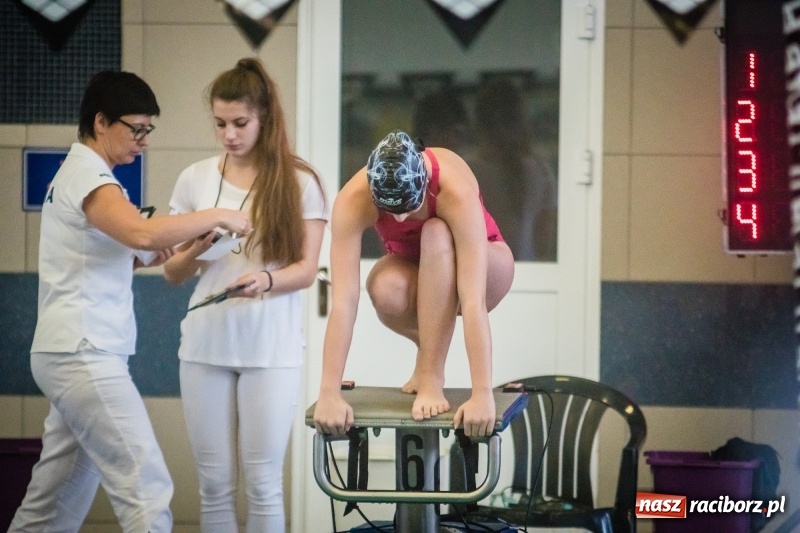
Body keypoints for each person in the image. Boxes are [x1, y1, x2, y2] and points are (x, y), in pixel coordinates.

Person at [9, 71, 252, 533]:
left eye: (148, 130)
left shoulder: (90, 178)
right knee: (146, 486)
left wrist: (193, 243)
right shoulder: (88, 175)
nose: (143, 140)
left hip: (74, 352)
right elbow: (142, 233)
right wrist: (220, 212)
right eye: (136, 128)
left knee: (54, 501)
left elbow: (135, 251)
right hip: (83, 352)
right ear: (101, 122)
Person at [162, 57, 327, 533]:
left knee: (262, 483)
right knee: (213, 486)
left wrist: (266, 281)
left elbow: (306, 268)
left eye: (240, 123)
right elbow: (173, 273)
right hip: (204, 345)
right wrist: (201, 240)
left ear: (264, 119)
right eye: (220, 123)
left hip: (270, 348)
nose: (229, 134)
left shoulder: (300, 182)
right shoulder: (195, 178)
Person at [313, 130, 514, 438]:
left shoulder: (452, 190)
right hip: (421, 273)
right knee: (384, 288)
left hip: (488, 269)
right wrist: (328, 393)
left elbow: (472, 301)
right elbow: (343, 302)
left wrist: (482, 393)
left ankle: (432, 375)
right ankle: (427, 346)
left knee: (435, 231)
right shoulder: (353, 200)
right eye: (393, 213)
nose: (404, 219)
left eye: (410, 208)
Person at [470, 78, 557, 261]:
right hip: (531, 280)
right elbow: (544, 244)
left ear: (478, 125)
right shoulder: (540, 172)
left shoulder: (467, 173)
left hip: (482, 278)